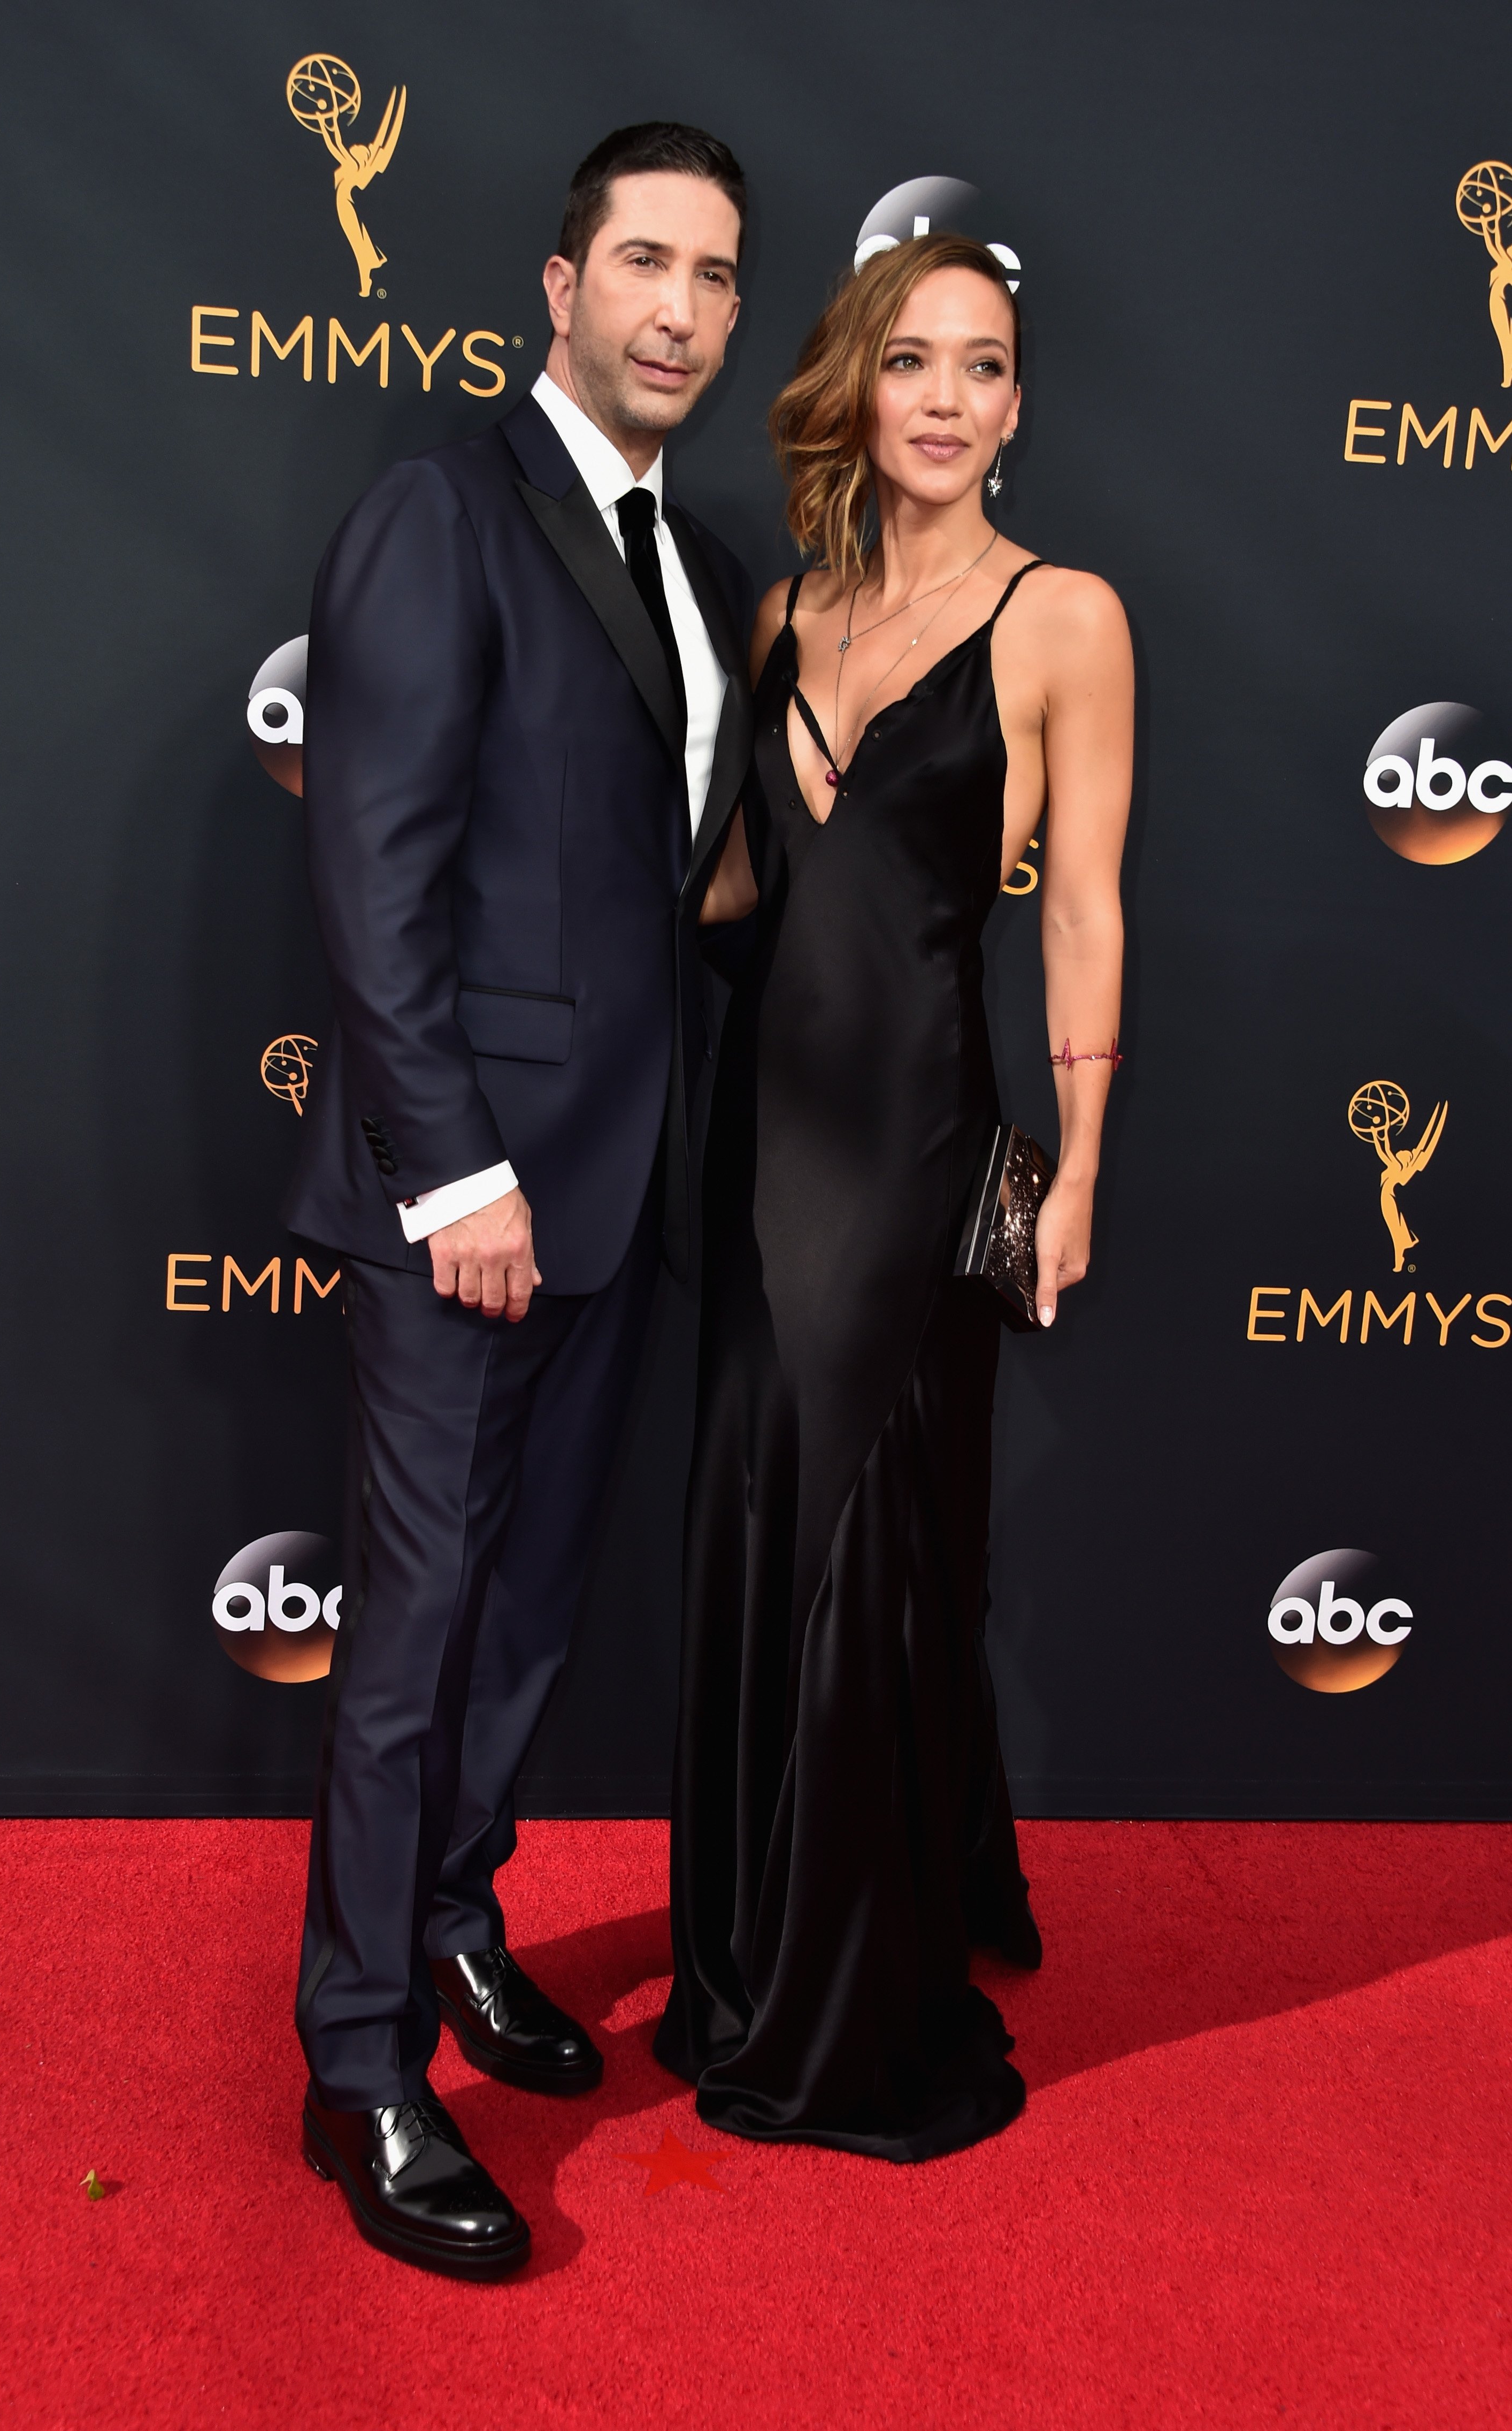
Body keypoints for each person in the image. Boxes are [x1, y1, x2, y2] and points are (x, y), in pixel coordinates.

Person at [285, 124, 755, 2276]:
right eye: (645, 262)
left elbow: (667, 883)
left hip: (623, 1187)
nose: (682, 308)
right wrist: (456, 1165)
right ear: (557, 286)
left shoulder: (690, 548)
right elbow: (374, 875)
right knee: (409, 1638)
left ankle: (460, 1926)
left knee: (532, 1611)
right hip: (469, 1196)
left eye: (719, 276)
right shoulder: (440, 508)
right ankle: (360, 2061)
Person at [658, 234, 1133, 2159]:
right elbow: (745, 894)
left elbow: (1083, 907)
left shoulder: (1064, 619)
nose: (946, 394)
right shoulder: (781, 616)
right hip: (757, 1131)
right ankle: (752, 1941)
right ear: (859, 384)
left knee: (880, 1541)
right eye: (913, 358)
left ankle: (853, 1991)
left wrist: (1084, 1161)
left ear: (1021, 406)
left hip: (929, 1143)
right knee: (760, 1523)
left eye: (987, 364)